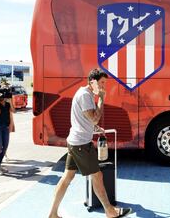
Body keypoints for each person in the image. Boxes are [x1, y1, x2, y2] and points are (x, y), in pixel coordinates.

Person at [48, 68, 131, 218]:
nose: (103, 86)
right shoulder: (86, 95)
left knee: (67, 177)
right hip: (80, 144)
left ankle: (52, 214)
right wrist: (101, 98)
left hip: (75, 142)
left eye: (105, 83)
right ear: (92, 82)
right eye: (101, 83)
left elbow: (87, 119)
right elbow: (94, 118)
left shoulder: (83, 93)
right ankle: (110, 211)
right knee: (97, 176)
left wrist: (96, 128)